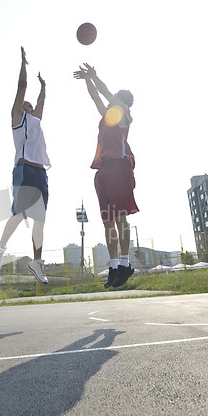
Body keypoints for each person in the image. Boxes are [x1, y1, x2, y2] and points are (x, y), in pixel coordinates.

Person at [73, 63, 139, 288]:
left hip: (119, 169)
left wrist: (95, 75)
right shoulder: (107, 117)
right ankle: (113, 267)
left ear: (121, 103)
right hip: (104, 171)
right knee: (107, 222)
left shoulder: (124, 117)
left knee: (121, 218)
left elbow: (106, 93)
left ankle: (125, 264)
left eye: (115, 101)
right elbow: (95, 96)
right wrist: (87, 80)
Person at [0, 47, 50, 284]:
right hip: (24, 169)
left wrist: (44, 87)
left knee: (40, 219)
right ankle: (0, 247)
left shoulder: (36, 121)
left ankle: (36, 262)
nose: (29, 106)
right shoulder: (18, 119)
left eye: (30, 105)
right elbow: (22, 88)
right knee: (19, 214)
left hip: (41, 173)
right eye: (26, 105)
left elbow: (41, 101)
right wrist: (23, 64)